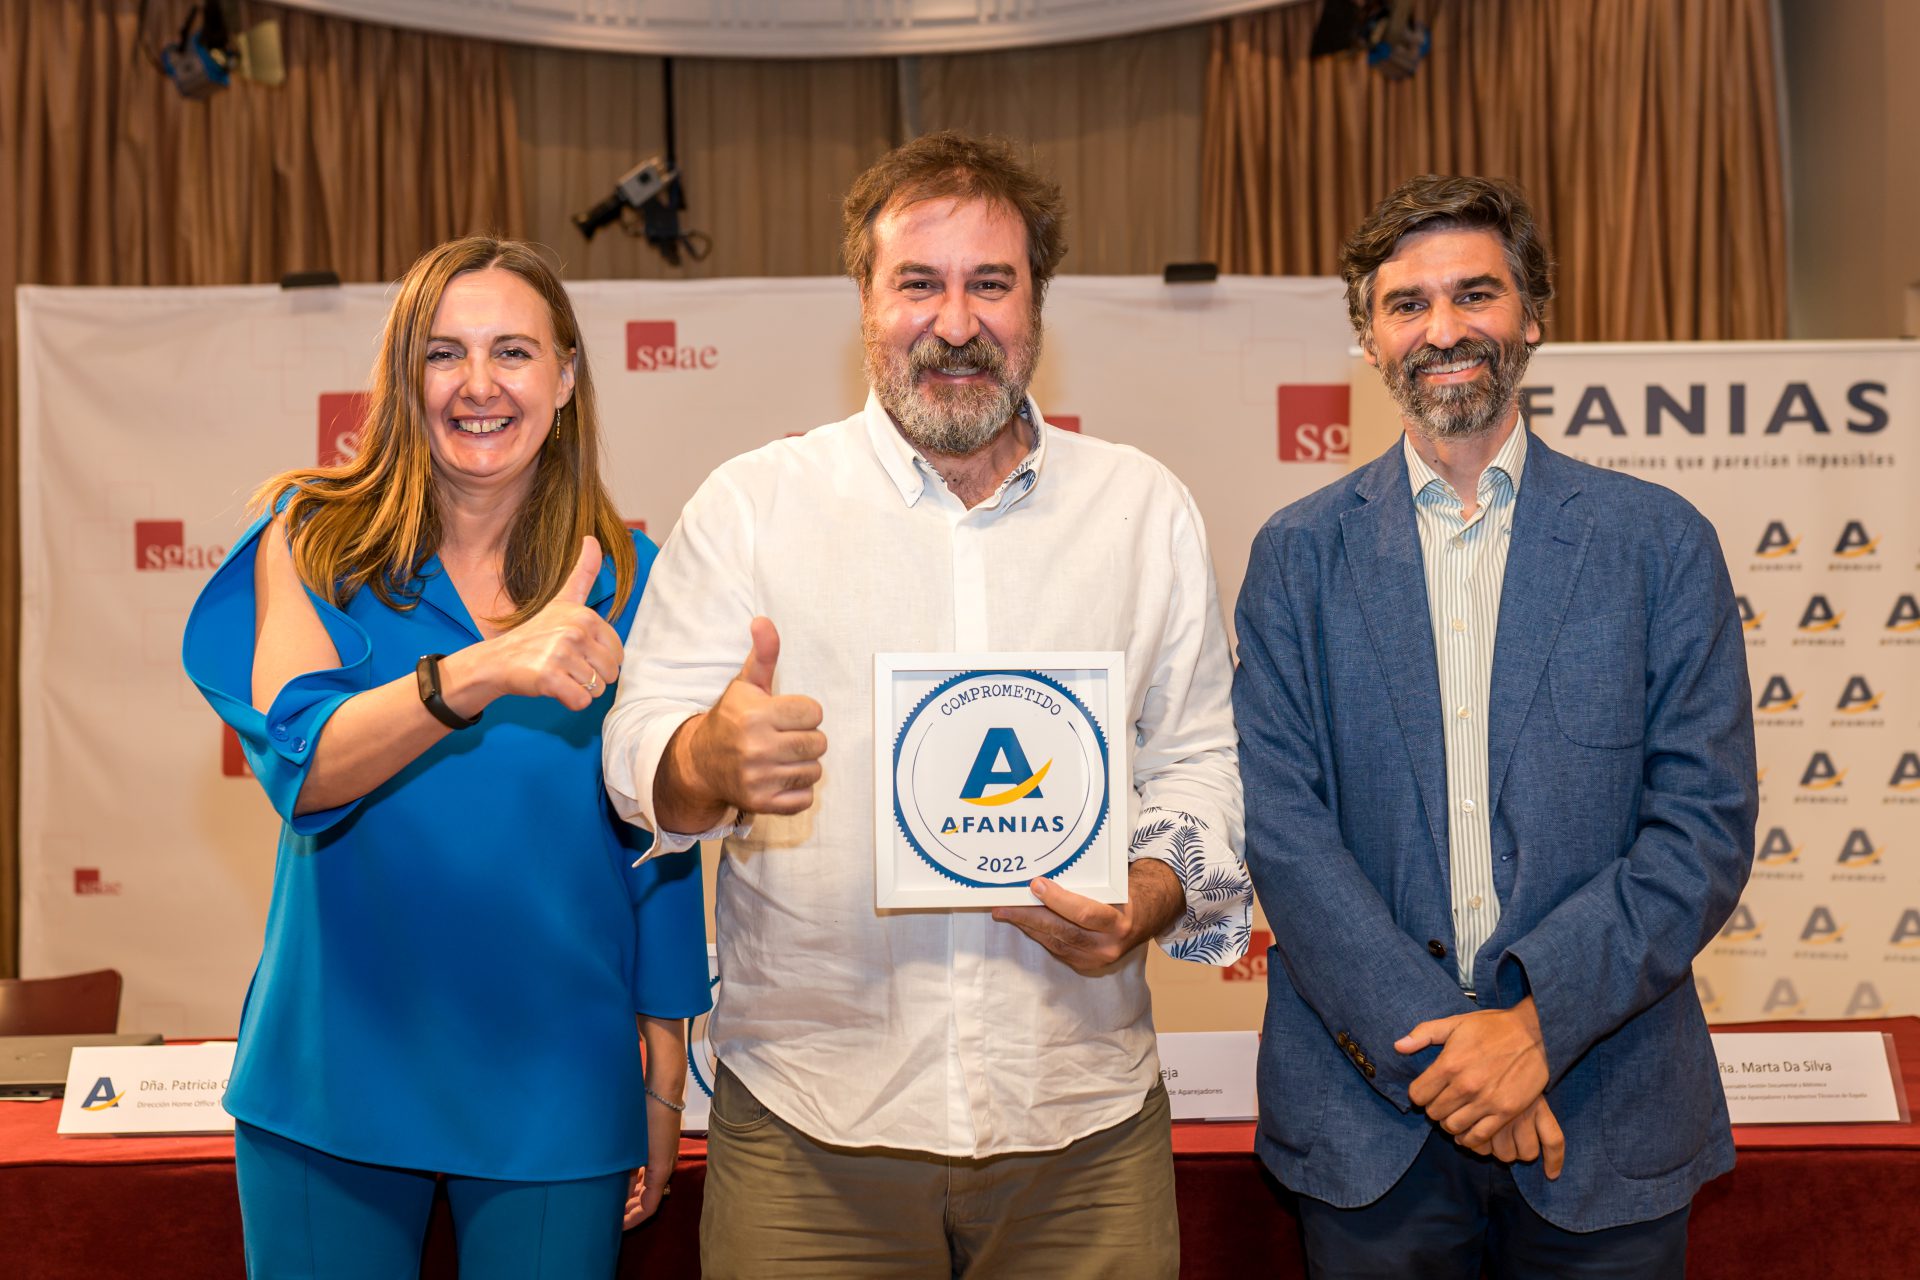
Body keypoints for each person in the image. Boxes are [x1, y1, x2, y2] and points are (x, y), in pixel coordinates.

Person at [602, 131, 1250, 1278]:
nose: (957, 321)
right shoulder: (753, 507)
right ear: (865, 299)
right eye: (920, 282)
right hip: (812, 1132)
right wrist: (710, 756)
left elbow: (1200, 758)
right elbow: (637, 753)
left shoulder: (1142, 510)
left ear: (1037, 303)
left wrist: (1145, 902)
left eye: (991, 283)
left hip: (1081, 1127)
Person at [1231, 173, 1758, 1277]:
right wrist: (1455, 1055)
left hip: (1603, 1101)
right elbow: (1282, 827)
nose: (1445, 329)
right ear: (1369, 339)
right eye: (1407, 304)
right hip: (1372, 1116)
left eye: (1476, 293)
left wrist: (1532, 1027)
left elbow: (1701, 827)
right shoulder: (1296, 555)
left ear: (1532, 315)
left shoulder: (1659, 543)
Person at [182, 237, 708, 1277]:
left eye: (513, 351)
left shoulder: (633, 574)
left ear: (563, 379)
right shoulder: (314, 539)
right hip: (333, 1064)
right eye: (443, 353)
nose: (478, 384)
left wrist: (665, 1055)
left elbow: (660, 831)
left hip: (557, 1068)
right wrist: (479, 668)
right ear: (402, 377)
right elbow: (306, 767)